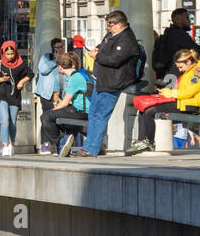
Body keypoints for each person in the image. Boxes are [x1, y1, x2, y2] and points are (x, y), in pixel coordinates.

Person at [125, 48, 200, 155]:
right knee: (145, 109)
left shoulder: (198, 73)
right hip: (184, 104)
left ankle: (148, 142)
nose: (180, 70)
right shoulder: (191, 71)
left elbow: (187, 93)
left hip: (190, 106)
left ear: (189, 62)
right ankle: (143, 141)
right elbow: (185, 92)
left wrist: (168, 93)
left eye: (181, 67)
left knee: (149, 111)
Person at [75, 10, 140, 157]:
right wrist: (98, 49)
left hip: (113, 82)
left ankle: (91, 149)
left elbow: (114, 59)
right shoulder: (112, 36)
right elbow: (106, 49)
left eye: (111, 25)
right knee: (93, 114)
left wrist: (97, 55)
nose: (108, 28)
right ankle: (91, 146)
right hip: (102, 80)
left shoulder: (126, 40)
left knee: (100, 114)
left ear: (120, 24)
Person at [41, 52, 90, 156]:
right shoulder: (79, 75)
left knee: (46, 117)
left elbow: (65, 103)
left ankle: (60, 145)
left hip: (81, 112)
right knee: (56, 117)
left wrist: (53, 111)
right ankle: (65, 141)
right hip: (82, 110)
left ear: (60, 67)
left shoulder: (74, 78)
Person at [0, 41, 32, 156]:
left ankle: (12, 144)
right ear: (3, 53)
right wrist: (2, 79)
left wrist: (22, 82)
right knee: (5, 121)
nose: (10, 56)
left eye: (12, 54)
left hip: (14, 96)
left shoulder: (21, 64)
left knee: (13, 122)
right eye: (7, 54)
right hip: (1, 96)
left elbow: (30, 74)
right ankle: (5, 145)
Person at [35, 37, 65, 154]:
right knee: (47, 117)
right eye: (56, 47)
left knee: (60, 119)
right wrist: (56, 60)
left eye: (61, 47)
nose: (59, 49)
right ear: (53, 49)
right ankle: (45, 143)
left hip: (61, 93)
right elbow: (43, 69)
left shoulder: (66, 58)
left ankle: (58, 144)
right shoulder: (47, 57)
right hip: (47, 94)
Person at [152, 8, 198, 84]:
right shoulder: (179, 34)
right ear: (178, 18)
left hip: (167, 75)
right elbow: (197, 50)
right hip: (176, 76)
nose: (189, 21)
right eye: (186, 17)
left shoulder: (168, 34)